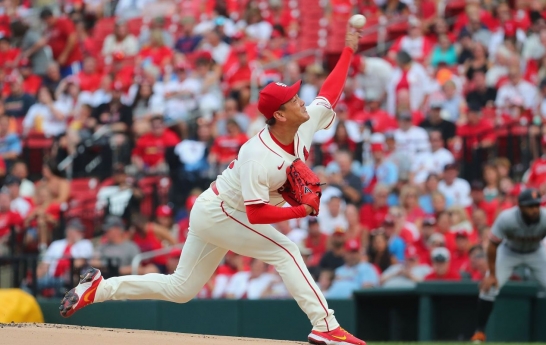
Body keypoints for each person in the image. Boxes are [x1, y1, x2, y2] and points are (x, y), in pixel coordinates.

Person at [60, 26, 366, 345]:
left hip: (215, 210)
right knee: (285, 250)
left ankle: (100, 289)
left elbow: (327, 96)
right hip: (225, 212)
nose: (301, 100)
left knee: (181, 289)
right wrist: (299, 210)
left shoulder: (302, 125)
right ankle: (325, 325)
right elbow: (257, 213)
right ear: (279, 114)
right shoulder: (257, 154)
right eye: (292, 98)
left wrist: (347, 51)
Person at [471, 189, 546, 343]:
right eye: (530, 206)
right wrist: (492, 275)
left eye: (537, 205)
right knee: (489, 288)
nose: (535, 209)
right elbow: (492, 246)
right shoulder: (507, 218)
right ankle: (479, 332)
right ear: (520, 206)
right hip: (509, 252)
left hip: (536, 252)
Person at [40, 8, 82, 77]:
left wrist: (64, 55)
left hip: (72, 61)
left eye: (47, 19)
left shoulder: (63, 22)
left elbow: (72, 39)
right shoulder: (48, 29)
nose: (46, 22)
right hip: (60, 64)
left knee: (75, 81)